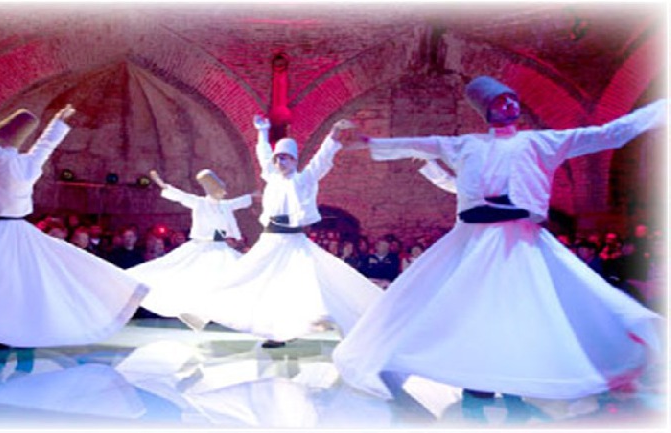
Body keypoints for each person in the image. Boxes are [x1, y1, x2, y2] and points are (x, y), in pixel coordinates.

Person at [332, 75, 666, 402]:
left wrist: (656, 112)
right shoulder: (468, 145)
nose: (508, 105)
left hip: (520, 239)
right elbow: (420, 143)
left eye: (511, 99)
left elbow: (605, 135)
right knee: (464, 305)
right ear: (487, 110)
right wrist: (367, 142)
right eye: (498, 102)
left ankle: (517, 371)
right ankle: (473, 374)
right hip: (475, 238)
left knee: (525, 305)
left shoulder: (540, 142)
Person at [0, 90, 149, 347]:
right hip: (16, 231)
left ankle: (0, 334)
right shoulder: (28, 163)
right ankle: (3, 334)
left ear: (0, 135)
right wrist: (58, 122)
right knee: (8, 285)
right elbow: (45, 145)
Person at [181, 115, 381, 348]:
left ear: (294, 160)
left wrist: (334, 133)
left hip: (294, 240)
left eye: (285, 157)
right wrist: (262, 131)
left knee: (307, 282)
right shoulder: (272, 178)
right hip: (270, 239)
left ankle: (317, 321)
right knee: (243, 274)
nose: (280, 161)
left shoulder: (303, 179)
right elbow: (263, 155)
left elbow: (321, 159)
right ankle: (202, 311)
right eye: (278, 158)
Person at [127, 168, 253, 319]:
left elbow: (239, 202)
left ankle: (210, 312)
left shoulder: (224, 205)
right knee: (184, 272)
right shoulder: (200, 203)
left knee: (231, 274)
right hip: (203, 247)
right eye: (220, 190)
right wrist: (162, 184)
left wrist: (254, 196)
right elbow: (181, 196)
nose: (224, 193)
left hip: (219, 246)